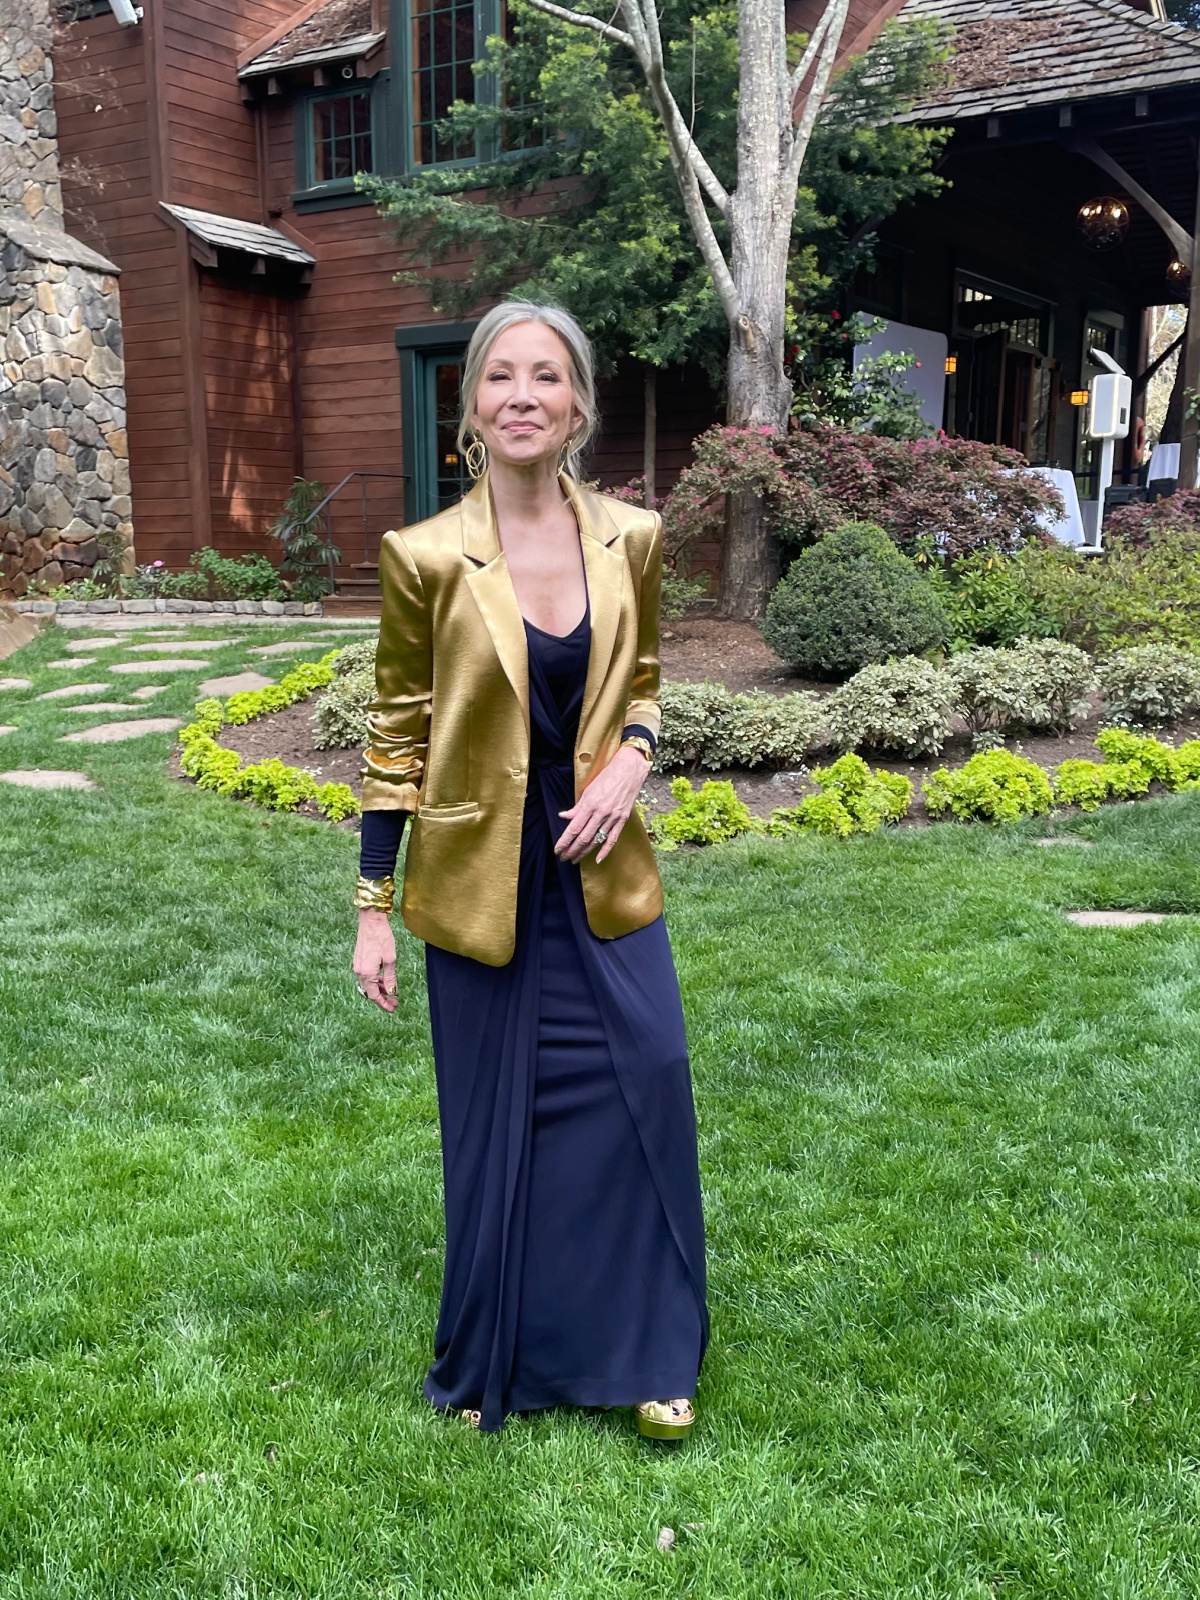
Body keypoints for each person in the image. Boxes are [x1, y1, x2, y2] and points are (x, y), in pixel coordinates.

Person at [352, 301, 708, 1438]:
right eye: (500, 376)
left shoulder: (632, 537)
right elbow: (396, 737)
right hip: (481, 876)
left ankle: (650, 1348)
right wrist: (373, 905)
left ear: (577, 404)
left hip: (597, 858)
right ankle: (495, 1361)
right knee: (496, 1119)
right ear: (471, 407)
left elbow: (642, 682)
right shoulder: (424, 557)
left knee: (647, 1073)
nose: (522, 395)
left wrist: (632, 763)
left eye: (546, 376)